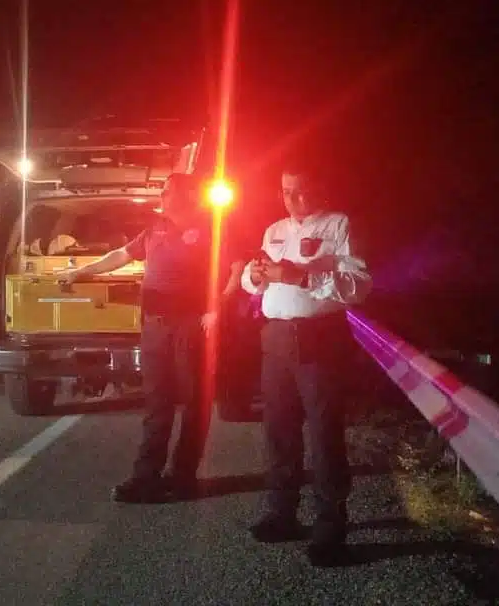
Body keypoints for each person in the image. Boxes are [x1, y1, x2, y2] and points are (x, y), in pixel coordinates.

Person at [59, 173, 228, 503]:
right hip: (155, 326)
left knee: (194, 400)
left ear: (189, 194)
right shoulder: (154, 228)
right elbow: (121, 255)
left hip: (190, 325)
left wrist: (216, 308)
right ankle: (146, 476)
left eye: (168, 190)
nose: (162, 196)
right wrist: (81, 271)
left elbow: (231, 269)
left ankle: (183, 476)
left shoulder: (211, 228)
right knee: (156, 401)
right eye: (163, 191)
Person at [240, 166, 372, 556]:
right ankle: (283, 512)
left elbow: (359, 286)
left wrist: (301, 278)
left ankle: (330, 524)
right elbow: (255, 284)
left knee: (322, 433)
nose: (292, 199)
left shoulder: (339, 225)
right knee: (278, 430)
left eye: (300, 190)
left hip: (318, 339)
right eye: (285, 191)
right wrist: (255, 275)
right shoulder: (274, 230)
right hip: (276, 338)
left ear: (321, 188)